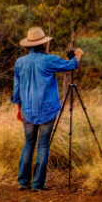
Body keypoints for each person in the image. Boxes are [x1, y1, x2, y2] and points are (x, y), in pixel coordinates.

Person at [11, 27, 84, 192]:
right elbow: (71, 65)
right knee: (43, 145)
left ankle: (23, 182)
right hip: (47, 110)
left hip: (27, 110)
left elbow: (16, 89)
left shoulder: (20, 62)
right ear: (43, 44)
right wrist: (78, 55)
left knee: (28, 144)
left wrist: (18, 109)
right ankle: (38, 184)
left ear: (29, 45)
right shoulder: (49, 60)